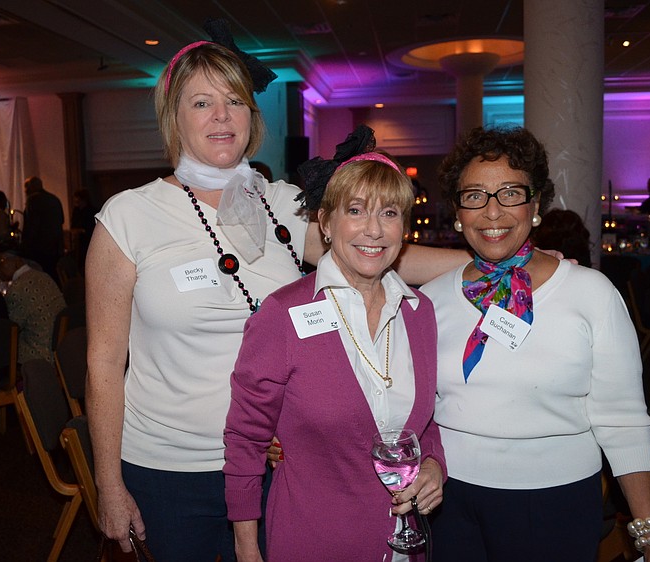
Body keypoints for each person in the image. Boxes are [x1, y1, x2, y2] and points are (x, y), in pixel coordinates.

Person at [85, 18, 469, 562]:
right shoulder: (128, 217)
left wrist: (494, 261)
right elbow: (103, 362)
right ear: (174, 117)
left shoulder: (284, 204)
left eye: (235, 101)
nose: (221, 116)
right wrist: (107, 484)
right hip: (170, 468)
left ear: (252, 115)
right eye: (201, 103)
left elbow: (379, 249)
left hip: (273, 464)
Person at [421, 126, 650, 562]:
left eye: (510, 193)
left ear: (535, 205)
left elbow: (623, 421)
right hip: (448, 501)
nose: (493, 211)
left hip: (555, 502)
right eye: (474, 196)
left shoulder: (590, 293)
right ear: (458, 212)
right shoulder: (430, 299)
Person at [224, 152, 445, 562]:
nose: (374, 230)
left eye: (389, 213)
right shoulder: (281, 315)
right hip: (314, 541)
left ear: (404, 227)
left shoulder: (420, 312)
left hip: (406, 544)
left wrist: (433, 465)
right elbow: (246, 439)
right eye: (356, 210)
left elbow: (424, 424)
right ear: (325, 223)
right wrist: (246, 546)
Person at [0, 243, 65, 364]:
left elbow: (9, 330)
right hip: (59, 350)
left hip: (38, 356)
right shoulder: (44, 276)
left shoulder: (17, 289)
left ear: (16, 261)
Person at [19, 176, 64, 282]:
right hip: (55, 246)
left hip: (39, 248)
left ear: (30, 188)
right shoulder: (54, 199)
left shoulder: (33, 200)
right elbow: (61, 220)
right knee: (53, 276)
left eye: (26, 187)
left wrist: (25, 247)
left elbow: (31, 226)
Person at [70, 188, 97, 267]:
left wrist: (82, 230)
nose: (75, 201)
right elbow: (73, 225)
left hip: (88, 241)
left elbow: (92, 228)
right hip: (78, 242)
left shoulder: (91, 211)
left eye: (78, 199)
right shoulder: (76, 211)